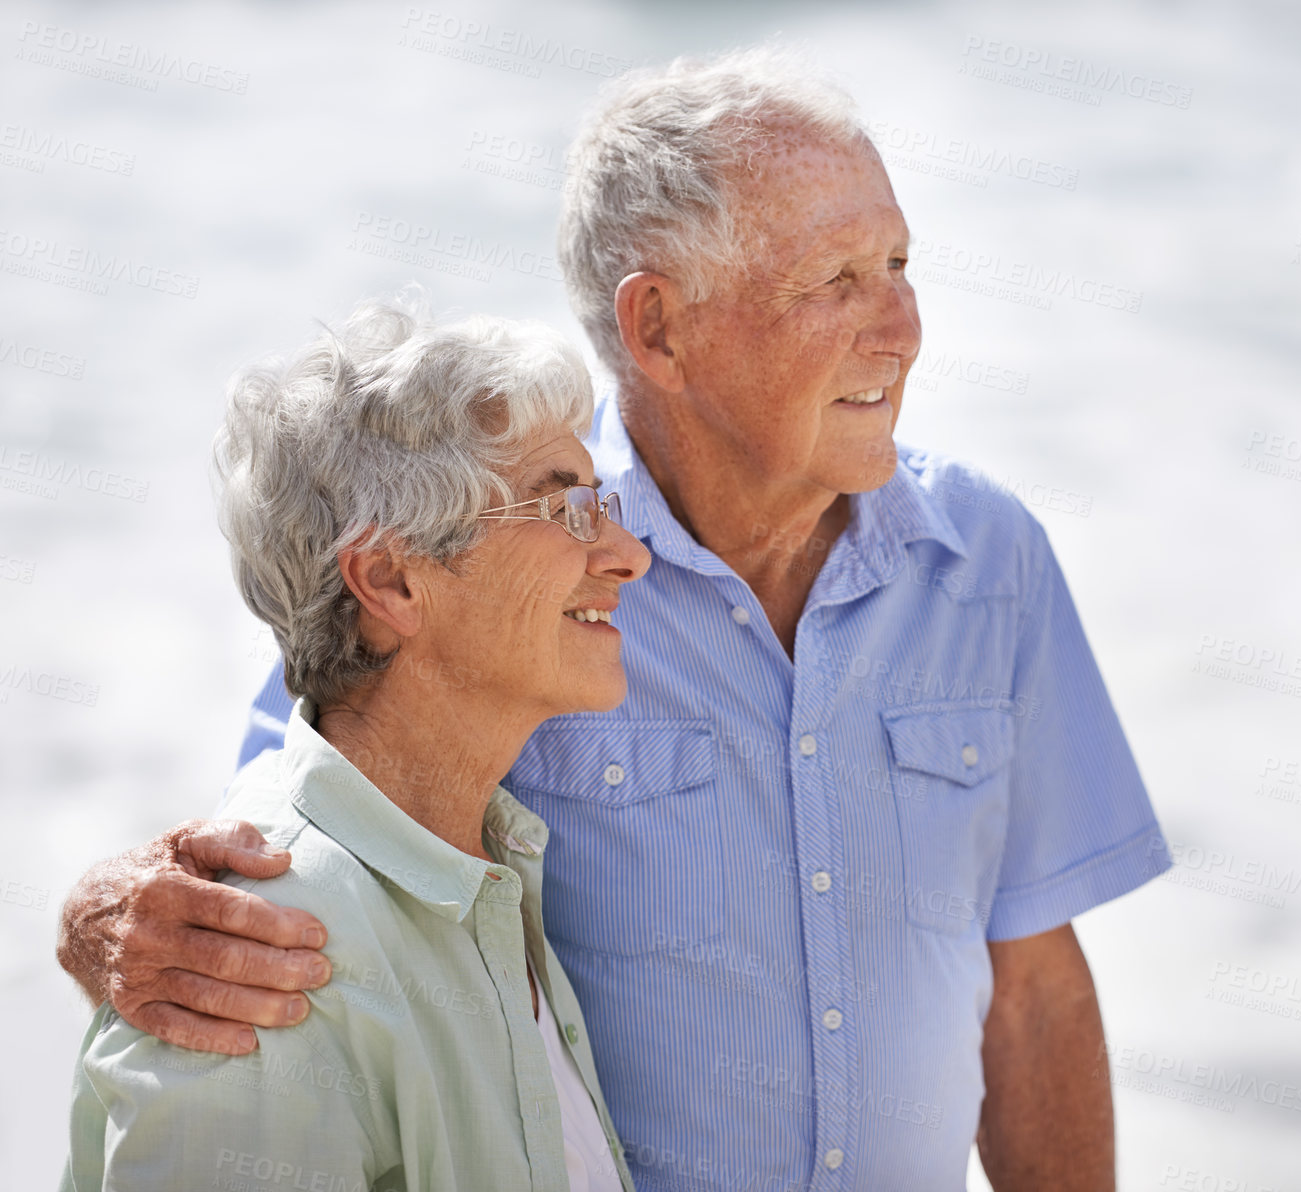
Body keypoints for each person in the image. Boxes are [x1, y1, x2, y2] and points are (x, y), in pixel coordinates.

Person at [57, 48, 1170, 1191]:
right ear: (660, 330)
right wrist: (105, 909)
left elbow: (1032, 985)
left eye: (898, 263)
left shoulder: (989, 562)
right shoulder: (514, 575)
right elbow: (299, 824)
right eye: (835, 278)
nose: (901, 326)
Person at [61, 296, 647, 1191]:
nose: (627, 554)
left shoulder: (487, 875)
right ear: (389, 578)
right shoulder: (256, 957)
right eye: (563, 507)